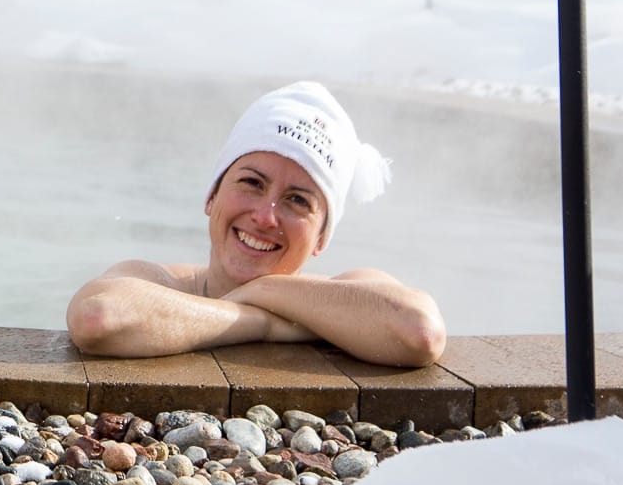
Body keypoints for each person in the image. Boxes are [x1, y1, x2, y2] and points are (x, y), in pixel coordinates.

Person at [66, 81, 446, 367]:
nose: (265, 216)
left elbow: (419, 331)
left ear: (321, 239)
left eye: (298, 200)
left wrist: (262, 291)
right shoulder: (157, 279)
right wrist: (259, 322)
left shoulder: (349, 291)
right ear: (212, 196)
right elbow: (97, 316)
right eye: (251, 183)